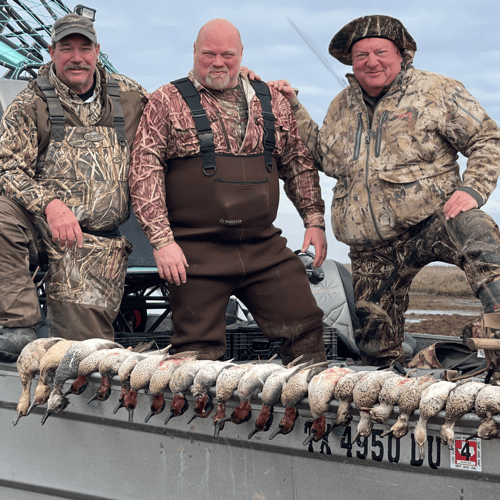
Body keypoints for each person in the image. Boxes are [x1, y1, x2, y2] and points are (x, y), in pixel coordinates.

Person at [271, 14, 500, 366]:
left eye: (380, 51)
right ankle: (388, 391)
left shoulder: (438, 91)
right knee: (376, 350)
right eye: (361, 55)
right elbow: (324, 156)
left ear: (402, 54)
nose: (371, 61)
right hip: (372, 247)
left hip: (434, 220)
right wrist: (291, 106)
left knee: (476, 228)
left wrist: (474, 189)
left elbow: (487, 139)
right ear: (351, 61)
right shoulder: (340, 105)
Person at [129, 18, 328, 364]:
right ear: (194, 52)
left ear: (241, 55)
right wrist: (162, 242)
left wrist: (314, 220)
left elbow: (298, 162)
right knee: (196, 351)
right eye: (208, 54)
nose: (218, 62)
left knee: (306, 327)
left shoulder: (272, 101)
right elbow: (144, 172)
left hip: (262, 246)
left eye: (227, 54)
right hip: (195, 251)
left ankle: (311, 410)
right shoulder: (166, 100)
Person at [0, 13, 147, 361]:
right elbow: (7, 168)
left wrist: (242, 81)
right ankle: (20, 323)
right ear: (51, 52)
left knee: (82, 360)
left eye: (84, 47)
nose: (76, 57)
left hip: (95, 245)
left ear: (97, 51)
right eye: (66, 48)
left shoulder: (130, 96)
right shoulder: (28, 103)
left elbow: (177, 114)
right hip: (41, 228)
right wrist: (50, 205)